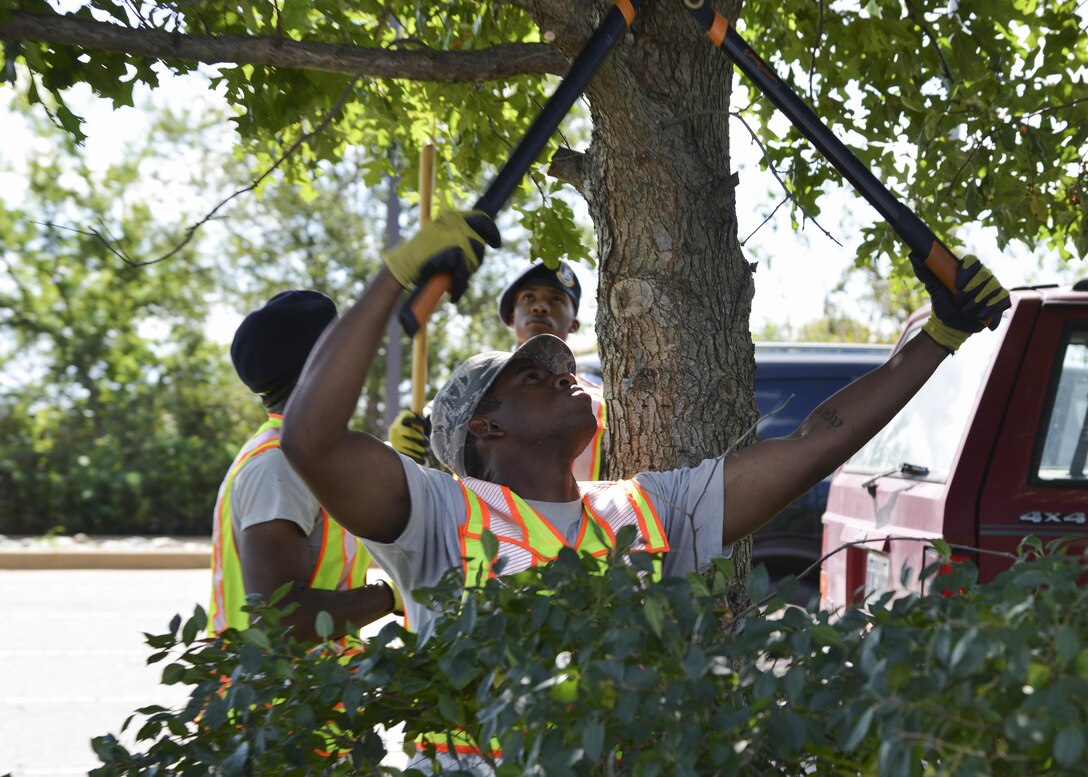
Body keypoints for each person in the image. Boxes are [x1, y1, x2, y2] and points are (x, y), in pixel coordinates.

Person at [280, 212, 1008, 768]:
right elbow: (310, 438)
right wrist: (396, 276)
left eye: (561, 367)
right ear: (486, 431)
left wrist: (939, 337)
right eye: (531, 377)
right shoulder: (438, 514)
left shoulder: (649, 507)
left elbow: (817, 439)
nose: (565, 374)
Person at [209, 289, 399, 644]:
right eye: (342, 349)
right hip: (273, 698)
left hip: (313, 694)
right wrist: (391, 595)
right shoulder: (279, 467)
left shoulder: (298, 456)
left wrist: (396, 457)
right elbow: (282, 621)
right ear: (320, 364)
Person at [390, 259, 607, 479]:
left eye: (557, 299)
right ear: (512, 316)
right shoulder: (469, 395)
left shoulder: (602, 401)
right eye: (528, 297)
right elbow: (430, 468)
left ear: (574, 324)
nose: (540, 306)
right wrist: (412, 446)